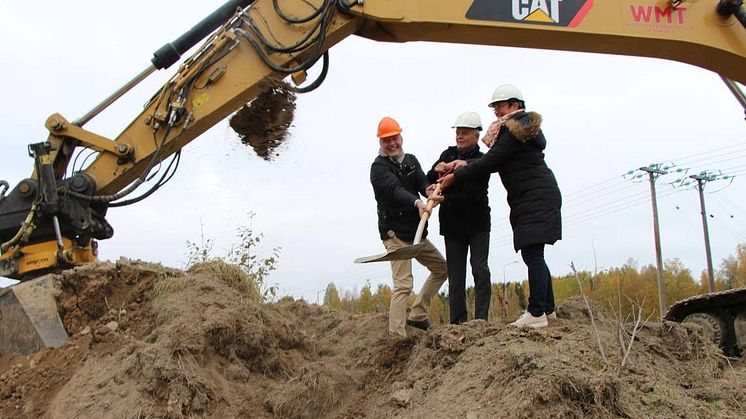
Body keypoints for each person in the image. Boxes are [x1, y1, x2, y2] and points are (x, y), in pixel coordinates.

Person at [439, 85, 562, 329]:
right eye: (494, 107)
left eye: (501, 105)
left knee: (532, 254)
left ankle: (537, 312)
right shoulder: (519, 129)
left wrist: (458, 174)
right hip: (533, 195)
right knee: (535, 253)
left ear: (516, 105)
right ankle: (548, 309)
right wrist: (463, 164)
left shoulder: (516, 131)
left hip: (534, 196)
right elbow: (492, 160)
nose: (496, 111)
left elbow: (491, 161)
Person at [370, 116, 448, 337]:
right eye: (387, 141)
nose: (392, 144)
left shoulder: (411, 161)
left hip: (416, 233)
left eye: (395, 138)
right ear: (380, 143)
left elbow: (421, 181)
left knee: (442, 269)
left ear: (401, 137)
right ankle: (396, 336)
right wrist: (418, 203)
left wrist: (429, 190)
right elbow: (395, 190)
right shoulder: (378, 169)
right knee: (404, 284)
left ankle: (418, 314)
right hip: (395, 234)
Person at [427, 112, 491, 325]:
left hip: (477, 224)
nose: (459, 137)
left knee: (479, 269)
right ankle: (458, 322)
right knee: (456, 276)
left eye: (464, 133)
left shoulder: (482, 161)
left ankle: (480, 319)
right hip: (452, 226)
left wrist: (445, 197)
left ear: (476, 135)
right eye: (457, 133)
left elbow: (472, 195)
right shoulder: (448, 153)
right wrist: (437, 169)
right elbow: (430, 177)